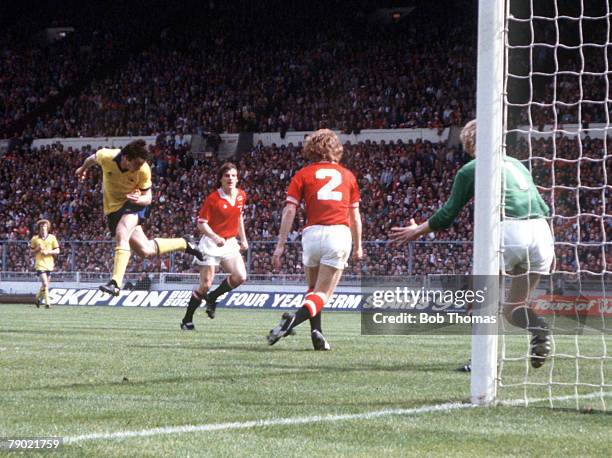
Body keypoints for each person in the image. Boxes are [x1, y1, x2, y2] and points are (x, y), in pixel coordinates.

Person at [390, 119, 554, 369]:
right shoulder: (518, 165)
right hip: (541, 233)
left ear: (468, 142)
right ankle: (540, 329)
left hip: (508, 231)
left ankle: (481, 363)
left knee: (479, 300)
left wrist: (417, 230)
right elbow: (544, 207)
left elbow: (448, 214)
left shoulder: (472, 168)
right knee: (514, 308)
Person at [267, 129, 363, 350]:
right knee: (322, 294)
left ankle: (317, 334)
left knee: (311, 289)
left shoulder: (302, 174)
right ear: (335, 149)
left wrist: (280, 246)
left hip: (311, 235)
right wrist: (358, 246)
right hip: (338, 234)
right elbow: (354, 215)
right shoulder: (348, 176)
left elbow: (289, 211)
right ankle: (292, 320)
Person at [75, 139, 203, 296]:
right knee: (145, 251)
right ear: (125, 158)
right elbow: (92, 159)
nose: (138, 168)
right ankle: (185, 243)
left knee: (122, 232)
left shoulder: (144, 170)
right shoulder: (107, 156)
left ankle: (115, 283)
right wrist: (82, 169)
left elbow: (148, 198)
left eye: (141, 164)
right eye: (135, 164)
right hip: (113, 210)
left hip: (134, 204)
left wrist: (139, 200)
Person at [181, 162, 249, 330]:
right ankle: (187, 320)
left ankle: (212, 298)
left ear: (238, 178)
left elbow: (239, 217)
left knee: (240, 276)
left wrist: (244, 239)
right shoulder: (213, 199)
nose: (230, 178)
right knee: (205, 285)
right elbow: (201, 224)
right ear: (221, 179)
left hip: (230, 242)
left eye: (233, 175)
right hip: (211, 243)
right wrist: (215, 236)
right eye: (227, 176)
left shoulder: (241, 195)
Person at [30, 219, 60, 308]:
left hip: (49, 263)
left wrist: (49, 252)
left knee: (45, 284)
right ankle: (47, 303)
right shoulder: (35, 238)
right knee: (46, 284)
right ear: (39, 228)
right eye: (41, 226)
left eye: (45, 226)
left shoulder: (52, 238)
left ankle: (37, 298)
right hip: (40, 263)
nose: (43, 228)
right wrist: (37, 249)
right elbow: (31, 251)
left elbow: (57, 250)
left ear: (48, 228)